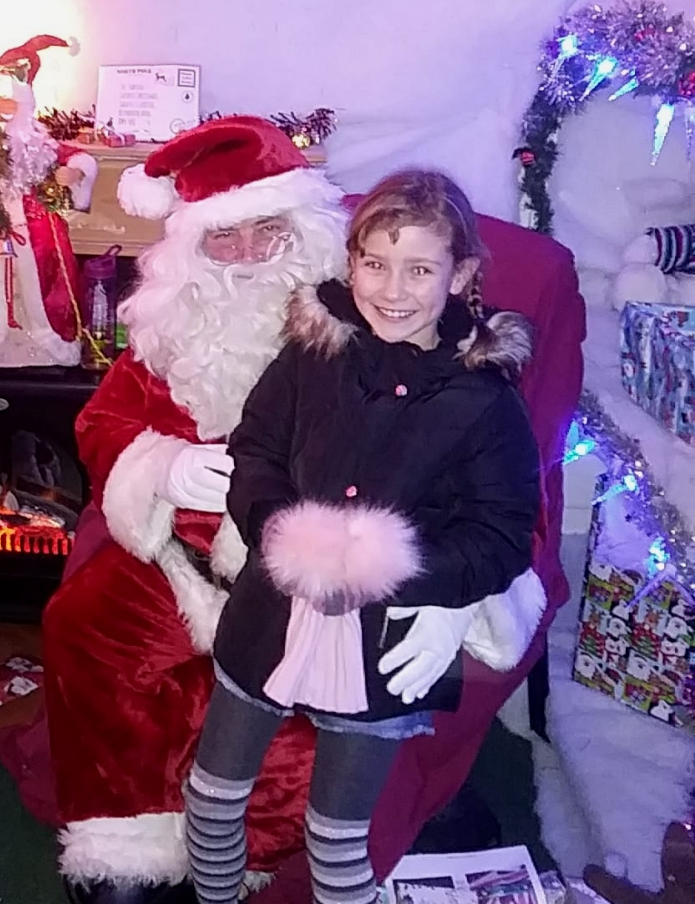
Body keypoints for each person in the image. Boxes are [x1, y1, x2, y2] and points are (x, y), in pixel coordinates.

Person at [184, 170, 547, 904]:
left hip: (392, 637)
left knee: (339, 838)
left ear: (461, 275)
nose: (393, 289)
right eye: (375, 264)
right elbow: (255, 451)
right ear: (349, 264)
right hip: (271, 611)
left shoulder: (485, 399)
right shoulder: (310, 353)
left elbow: (504, 533)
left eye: (420, 269)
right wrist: (275, 530)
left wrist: (429, 586)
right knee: (212, 798)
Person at [41, 115, 351, 904]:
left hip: (294, 570)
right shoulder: (167, 330)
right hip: (175, 559)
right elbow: (102, 423)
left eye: (267, 232)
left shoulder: (351, 329)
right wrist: (164, 466)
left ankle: (236, 854)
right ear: (189, 250)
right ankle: (128, 840)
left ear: (304, 232)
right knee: (83, 624)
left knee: (302, 718)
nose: (245, 255)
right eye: (223, 238)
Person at [0, 34, 98, 368]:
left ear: (23, 107)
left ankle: (43, 339)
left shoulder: (37, 143)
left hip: (34, 228)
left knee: (38, 282)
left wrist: (76, 173)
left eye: (7, 103)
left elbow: (76, 156)